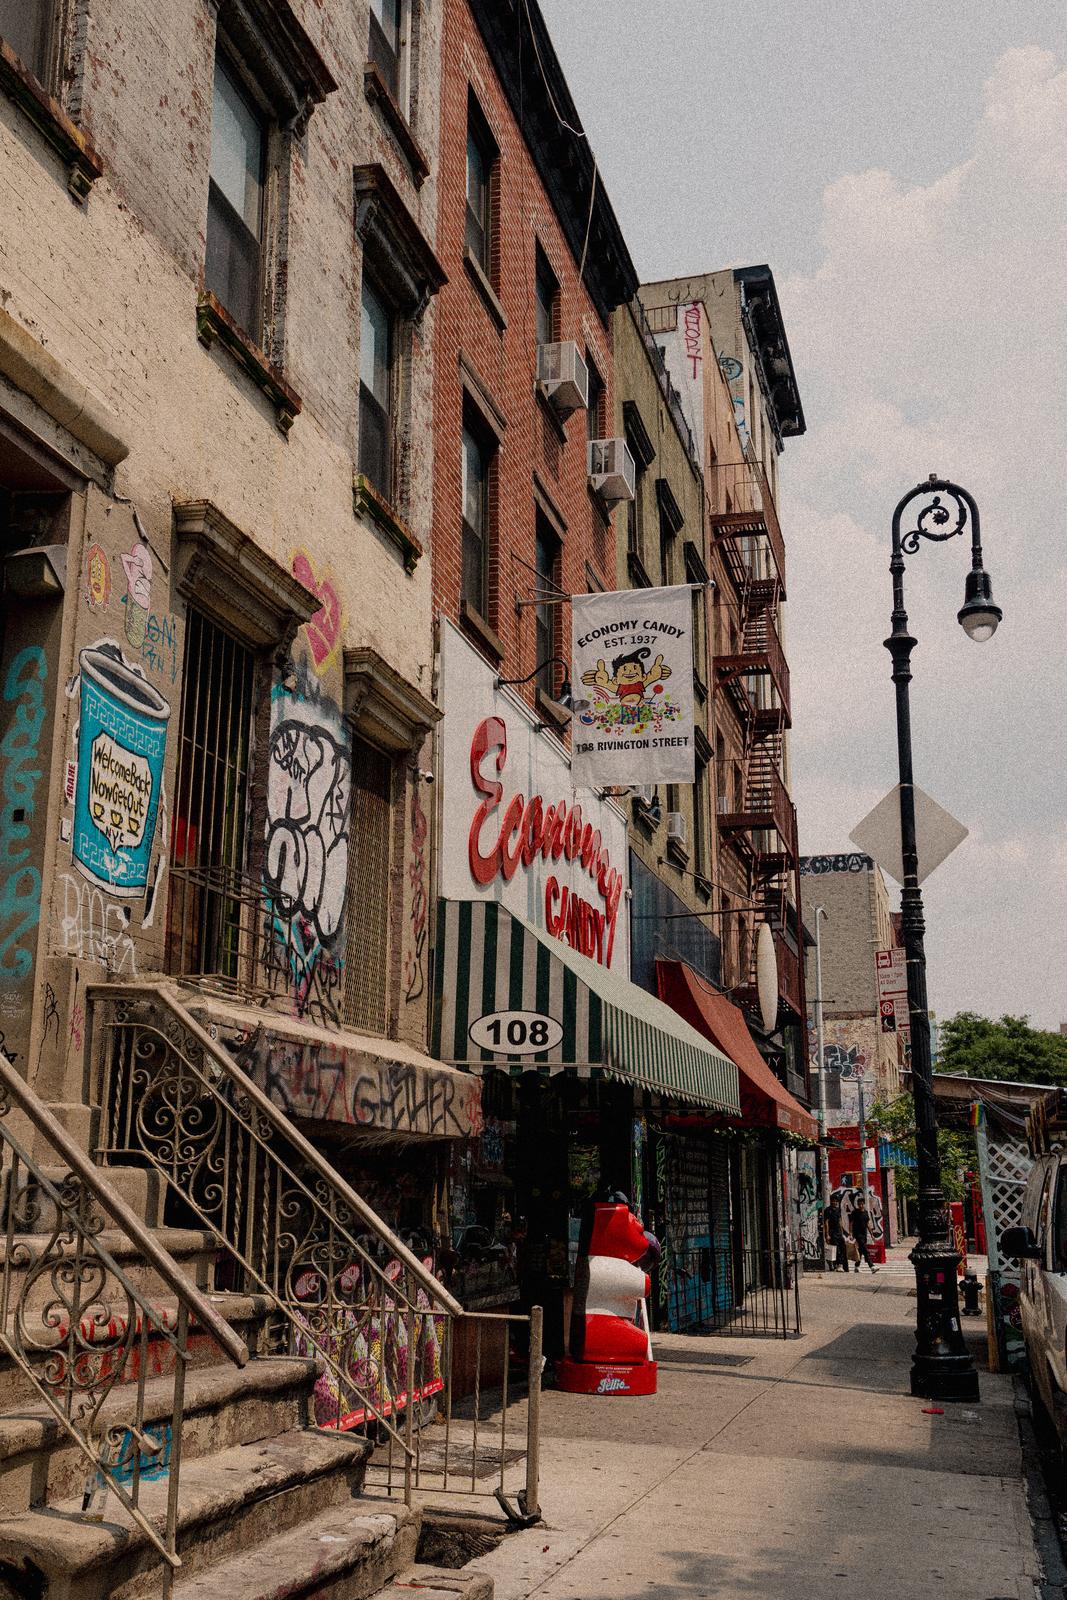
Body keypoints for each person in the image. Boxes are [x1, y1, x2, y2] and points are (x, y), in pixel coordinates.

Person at [850, 1198, 878, 1274]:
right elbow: (851, 1223)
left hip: (864, 1234)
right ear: (857, 1204)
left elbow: (868, 1224)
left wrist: (871, 1234)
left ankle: (856, 1266)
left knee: (861, 1251)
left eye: (862, 1204)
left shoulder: (865, 1213)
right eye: (859, 1204)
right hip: (857, 1234)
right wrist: (850, 1233)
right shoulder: (855, 1212)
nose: (861, 1205)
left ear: (864, 1204)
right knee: (865, 1250)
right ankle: (871, 1266)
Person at [824, 1195, 849, 1273]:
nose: (834, 1202)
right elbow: (826, 1222)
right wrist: (827, 1234)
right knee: (836, 1249)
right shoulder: (827, 1210)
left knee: (842, 1248)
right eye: (833, 1201)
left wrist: (842, 1233)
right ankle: (838, 1265)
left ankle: (844, 1266)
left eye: (836, 1201)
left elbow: (840, 1221)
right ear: (831, 1201)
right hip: (832, 1232)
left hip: (838, 1232)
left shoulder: (838, 1210)